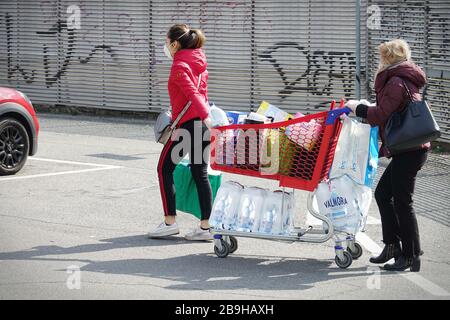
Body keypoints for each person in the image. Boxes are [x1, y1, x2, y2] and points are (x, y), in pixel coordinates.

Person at [346, 39, 430, 272]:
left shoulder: (395, 81)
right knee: (384, 194)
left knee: (403, 202)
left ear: (388, 58)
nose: (380, 61)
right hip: (408, 148)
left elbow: (381, 114)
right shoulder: (402, 78)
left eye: (383, 57)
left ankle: (411, 256)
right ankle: (393, 246)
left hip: (410, 150)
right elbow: (391, 109)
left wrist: (356, 108)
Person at [148, 24, 213, 241]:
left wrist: (205, 116)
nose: (165, 46)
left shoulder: (179, 65)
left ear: (175, 44)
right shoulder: (199, 62)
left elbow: (193, 93)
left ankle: (169, 222)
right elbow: (199, 93)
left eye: (167, 42)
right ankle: (205, 227)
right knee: (199, 173)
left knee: (164, 169)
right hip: (200, 127)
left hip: (188, 127)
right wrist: (206, 119)